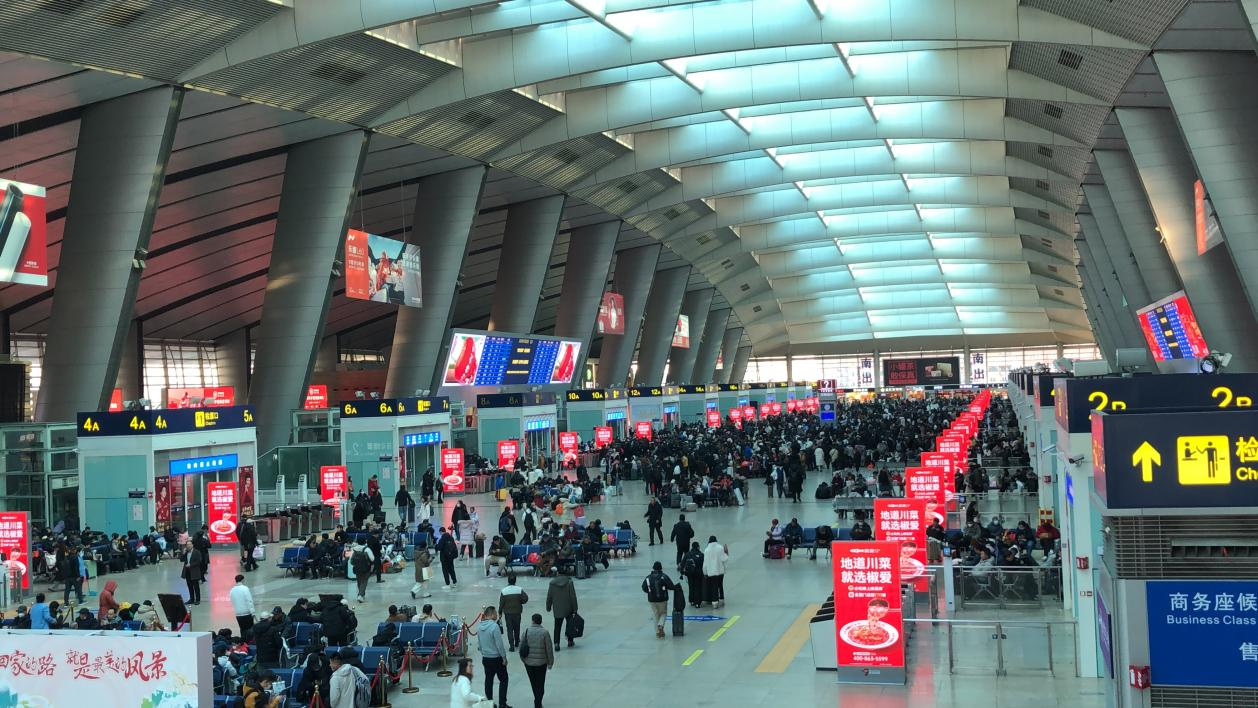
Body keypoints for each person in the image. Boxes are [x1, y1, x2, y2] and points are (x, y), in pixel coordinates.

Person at [476, 606, 510, 708]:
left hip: (486, 658)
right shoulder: (495, 627)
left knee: (488, 680)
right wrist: (504, 657)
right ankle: (502, 703)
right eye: (495, 613)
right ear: (490, 615)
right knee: (504, 679)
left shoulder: (479, 626)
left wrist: (484, 652)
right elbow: (499, 644)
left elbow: (479, 644)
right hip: (496, 658)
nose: (496, 615)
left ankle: (489, 703)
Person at [519, 613, 554, 708]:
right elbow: (549, 649)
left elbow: (521, 647)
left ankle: (537, 700)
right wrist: (550, 663)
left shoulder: (526, 631)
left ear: (533, 621)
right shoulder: (545, 633)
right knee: (540, 684)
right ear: (540, 621)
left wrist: (524, 660)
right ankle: (538, 702)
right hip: (541, 663)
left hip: (529, 663)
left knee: (533, 683)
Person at [642, 561, 676, 639]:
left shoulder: (648, 577)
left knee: (655, 614)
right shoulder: (664, 576)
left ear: (653, 568)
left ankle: (657, 632)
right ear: (661, 568)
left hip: (651, 599)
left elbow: (644, 588)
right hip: (662, 599)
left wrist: (650, 592)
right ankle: (660, 625)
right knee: (663, 613)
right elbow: (671, 586)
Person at [545, 572, 578, 651]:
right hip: (568, 607)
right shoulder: (569, 582)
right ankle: (570, 641)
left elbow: (549, 596)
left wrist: (548, 607)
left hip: (557, 608)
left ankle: (556, 643)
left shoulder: (552, 583)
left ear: (558, 573)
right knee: (570, 624)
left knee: (557, 626)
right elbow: (573, 596)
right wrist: (575, 608)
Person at [499, 574, 528, 651]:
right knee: (517, 628)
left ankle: (511, 646)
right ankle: (517, 642)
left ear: (508, 580)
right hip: (517, 612)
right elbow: (525, 599)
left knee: (509, 629)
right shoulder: (519, 589)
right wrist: (520, 602)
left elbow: (501, 603)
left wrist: (500, 612)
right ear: (515, 581)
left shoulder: (504, 591)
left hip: (508, 613)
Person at [702, 535, 729, 609]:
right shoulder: (720, 548)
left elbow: (705, 563)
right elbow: (724, 559)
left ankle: (715, 603)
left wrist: (705, 572)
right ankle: (722, 599)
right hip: (720, 572)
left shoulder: (706, 550)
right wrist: (726, 553)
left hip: (711, 573)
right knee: (720, 585)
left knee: (714, 587)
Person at [680, 541, 705, 608]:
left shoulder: (687, 554)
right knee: (698, 587)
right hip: (698, 574)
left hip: (689, 574)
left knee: (691, 587)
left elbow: (682, 563)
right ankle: (697, 602)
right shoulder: (701, 555)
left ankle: (692, 600)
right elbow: (704, 564)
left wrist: (682, 572)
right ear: (698, 547)